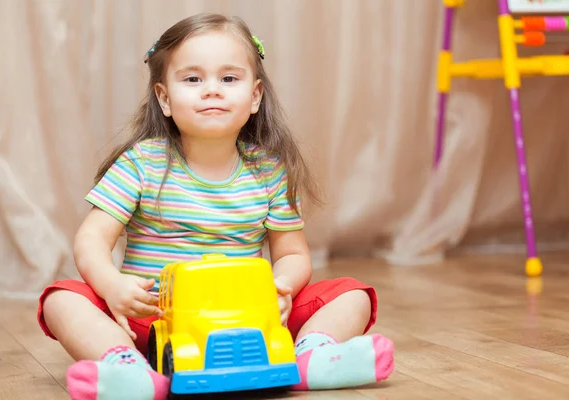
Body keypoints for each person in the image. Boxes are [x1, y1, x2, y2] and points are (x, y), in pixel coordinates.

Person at [37, 13, 394, 400]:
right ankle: (125, 365)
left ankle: (311, 357)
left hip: (250, 322)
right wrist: (112, 287)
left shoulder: (269, 171)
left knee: (352, 293)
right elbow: (91, 240)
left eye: (229, 78)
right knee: (61, 297)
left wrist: (282, 287)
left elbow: (292, 253)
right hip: (155, 320)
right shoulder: (143, 163)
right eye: (193, 79)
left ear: (254, 96)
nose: (211, 90)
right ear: (164, 98)